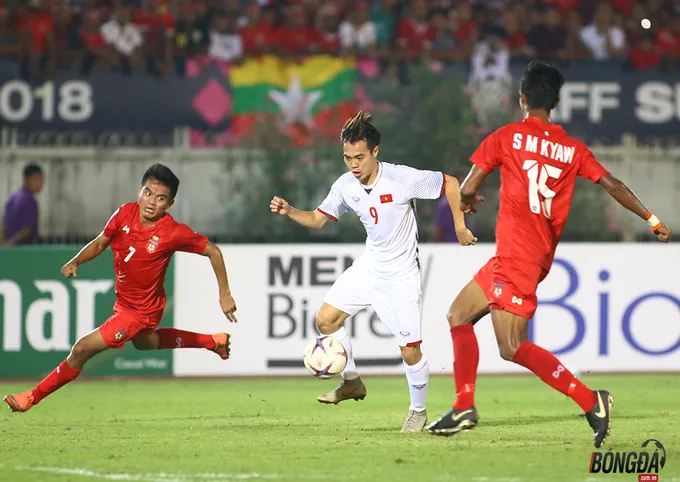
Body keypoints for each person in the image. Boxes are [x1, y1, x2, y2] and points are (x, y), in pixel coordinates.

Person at [426, 61, 672, 447]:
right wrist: (653, 218)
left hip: (517, 258)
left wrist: (470, 201)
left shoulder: (506, 137)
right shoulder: (572, 149)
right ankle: (464, 406)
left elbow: (469, 186)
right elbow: (612, 183)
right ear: (554, 102)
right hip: (529, 255)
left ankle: (591, 399)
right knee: (458, 315)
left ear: (521, 98)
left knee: (511, 348)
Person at [269, 111, 478, 432]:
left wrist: (460, 226)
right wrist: (290, 211)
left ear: (375, 152)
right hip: (370, 266)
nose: (353, 164)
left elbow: (449, 183)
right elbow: (317, 219)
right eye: (347, 157)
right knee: (326, 320)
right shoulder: (345, 186)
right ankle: (352, 381)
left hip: (402, 275)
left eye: (360, 157)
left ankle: (418, 411)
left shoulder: (401, 179)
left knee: (410, 351)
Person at [4, 164, 239, 412]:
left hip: (141, 312)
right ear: (139, 191)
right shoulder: (124, 213)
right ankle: (212, 341)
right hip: (126, 303)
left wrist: (224, 294)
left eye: (161, 198)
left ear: (169, 204)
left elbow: (213, 250)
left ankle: (31, 397)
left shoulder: (172, 232)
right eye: (148, 193)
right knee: (146, 343)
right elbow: (100, 243)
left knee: (82, 348)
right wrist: (76, 260)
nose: (151, 202)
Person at [1, 164, 44, 245]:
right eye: (38, 179)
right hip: (25, 248)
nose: (41, 183)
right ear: (27, 179)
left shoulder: (12, 198)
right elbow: (26, 230)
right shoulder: (30, 201)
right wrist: (10, 244)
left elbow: (3, 225)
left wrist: (4, 244)